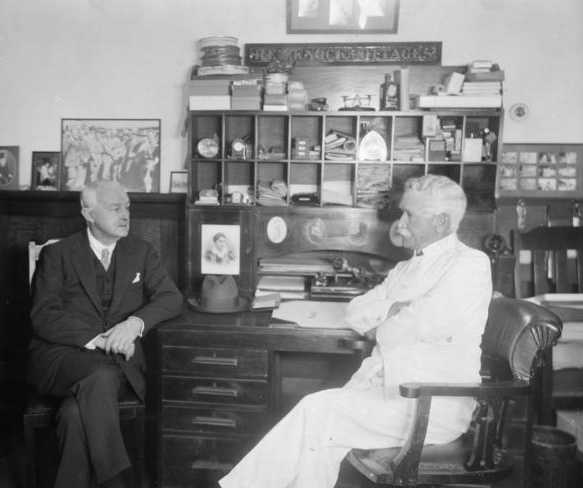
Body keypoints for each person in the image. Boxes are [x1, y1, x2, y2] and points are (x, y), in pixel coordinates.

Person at [218, 174, 492, 488]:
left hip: (430, 407)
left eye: (409, 215)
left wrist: (389, 318)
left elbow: (407, 327)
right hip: (385, 395)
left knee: (315, 410)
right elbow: (357, 312)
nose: (400, 223)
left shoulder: (469, 264)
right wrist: (394, 311)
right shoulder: (405, 268)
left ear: (442, 222)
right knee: (316, 446)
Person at [28, 180, 183, 488]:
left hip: (119, 363)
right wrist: (99, 340)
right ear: (88, 213)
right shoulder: (57, 254)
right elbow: (43, 316)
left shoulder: (141, 251)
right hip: (62, 358)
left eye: (126, 207)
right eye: (114, 208)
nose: (125, 215)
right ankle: (118, 482)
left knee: (74, 414)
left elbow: (171, 297)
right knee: (99, 375)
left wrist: (133, 324)